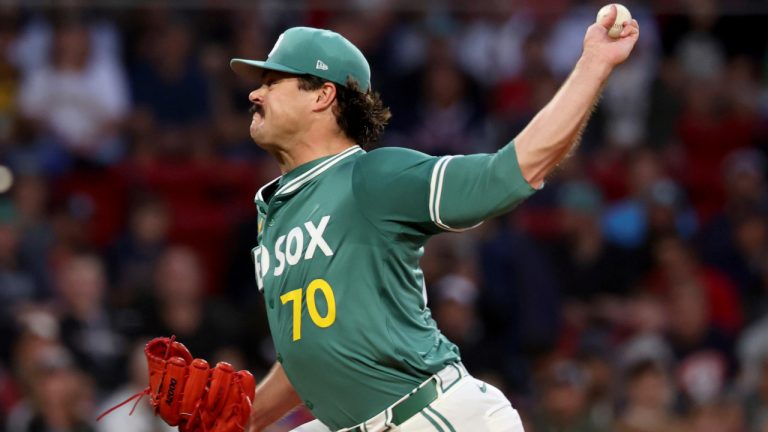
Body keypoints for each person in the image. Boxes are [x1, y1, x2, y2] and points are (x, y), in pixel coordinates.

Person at [229, 7, 639, 432]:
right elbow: (312, 354)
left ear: (322, 95)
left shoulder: (371, 177)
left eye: (273, 82)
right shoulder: (274, 214)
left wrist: (594, 64)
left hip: (431, 415)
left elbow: (505, 174)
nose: (255, 95)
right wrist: (237, 419)